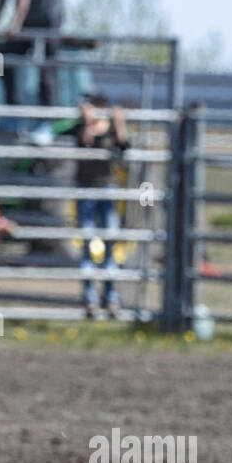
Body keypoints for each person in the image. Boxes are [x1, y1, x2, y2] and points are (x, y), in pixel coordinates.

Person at [67, 93, 129, 318]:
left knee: (110, 243)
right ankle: (90, 299)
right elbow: (84, 143)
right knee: (86, 243)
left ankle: (111, 298)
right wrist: (88, 123)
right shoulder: (81, 126)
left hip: (107, 189)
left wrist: (119, 124)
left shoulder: (112, 126)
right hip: (85, 189)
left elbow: (124, 149)